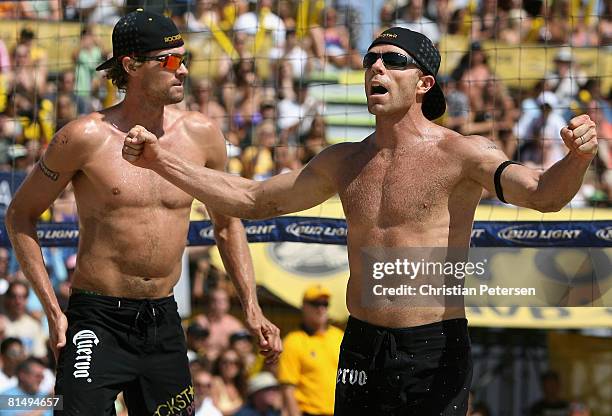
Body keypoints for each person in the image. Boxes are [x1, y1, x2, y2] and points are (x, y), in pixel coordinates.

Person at [122, 27, 598, 415]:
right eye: (371, 59)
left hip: (433, 345)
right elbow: (251, 198)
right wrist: (162, 161)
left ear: (424, 83)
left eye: (393, 60)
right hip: (362, 342)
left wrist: (576, 158)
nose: (376, 67)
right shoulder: (344, 160)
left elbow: (543, 195)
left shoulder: (462, 153)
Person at [5, 9, 281, 415]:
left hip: (163, 320)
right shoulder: (85, 136)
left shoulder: (202, 134)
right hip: (97, 320)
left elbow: (227, 225)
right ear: (131, 66)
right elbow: (19, 215)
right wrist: (52, 312)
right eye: (169, 61)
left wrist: (252, 308)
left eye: (185, 59)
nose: (183, 70)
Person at [278, 284, 343, 416]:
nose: (321, 309)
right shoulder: (293, 341)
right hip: (309, 412)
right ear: (304, 306)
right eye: (315, 303)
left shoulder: (339, 337)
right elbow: (288, 387)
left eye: (325, 304)